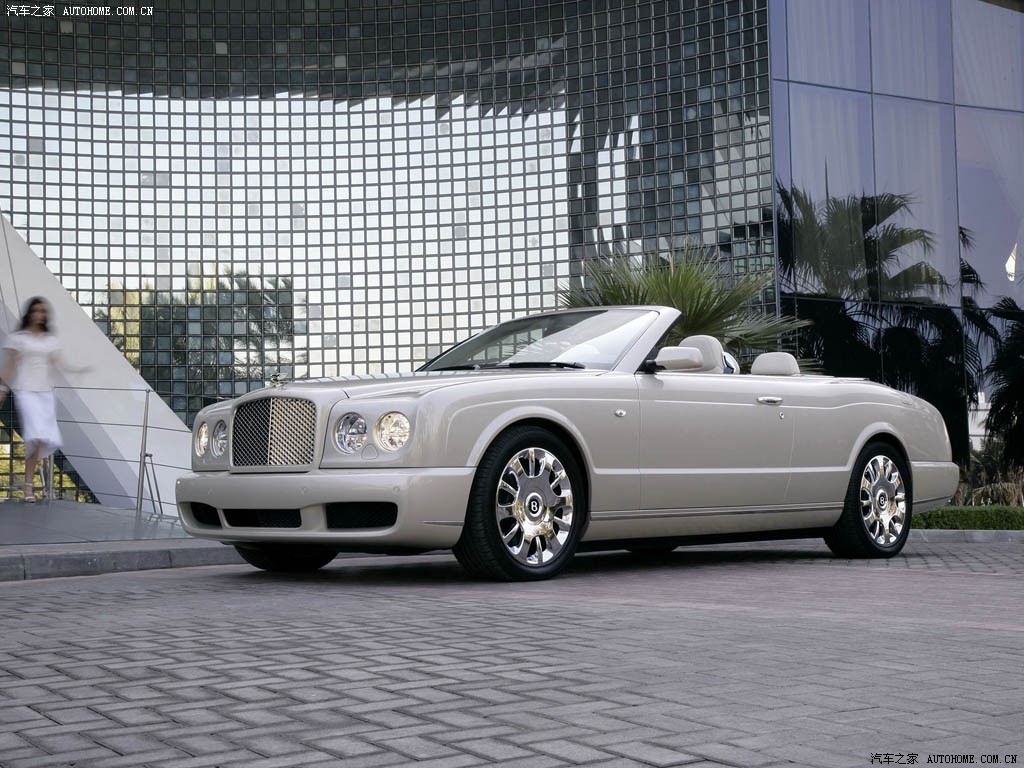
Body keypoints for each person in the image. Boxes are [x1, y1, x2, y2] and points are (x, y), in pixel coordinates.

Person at [0, 298, 84, 502]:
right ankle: (29, 486)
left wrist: (78, 371)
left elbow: (58, 364)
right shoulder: (18, 338)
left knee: (44, 438)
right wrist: (2, 389)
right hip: (26, 391)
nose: (39, 315)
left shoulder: (49, 340)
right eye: (36, 311)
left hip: (46, 392)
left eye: (43, 311)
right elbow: (10, 366)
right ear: (30, 313)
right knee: (35, 435)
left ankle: (30, 484)